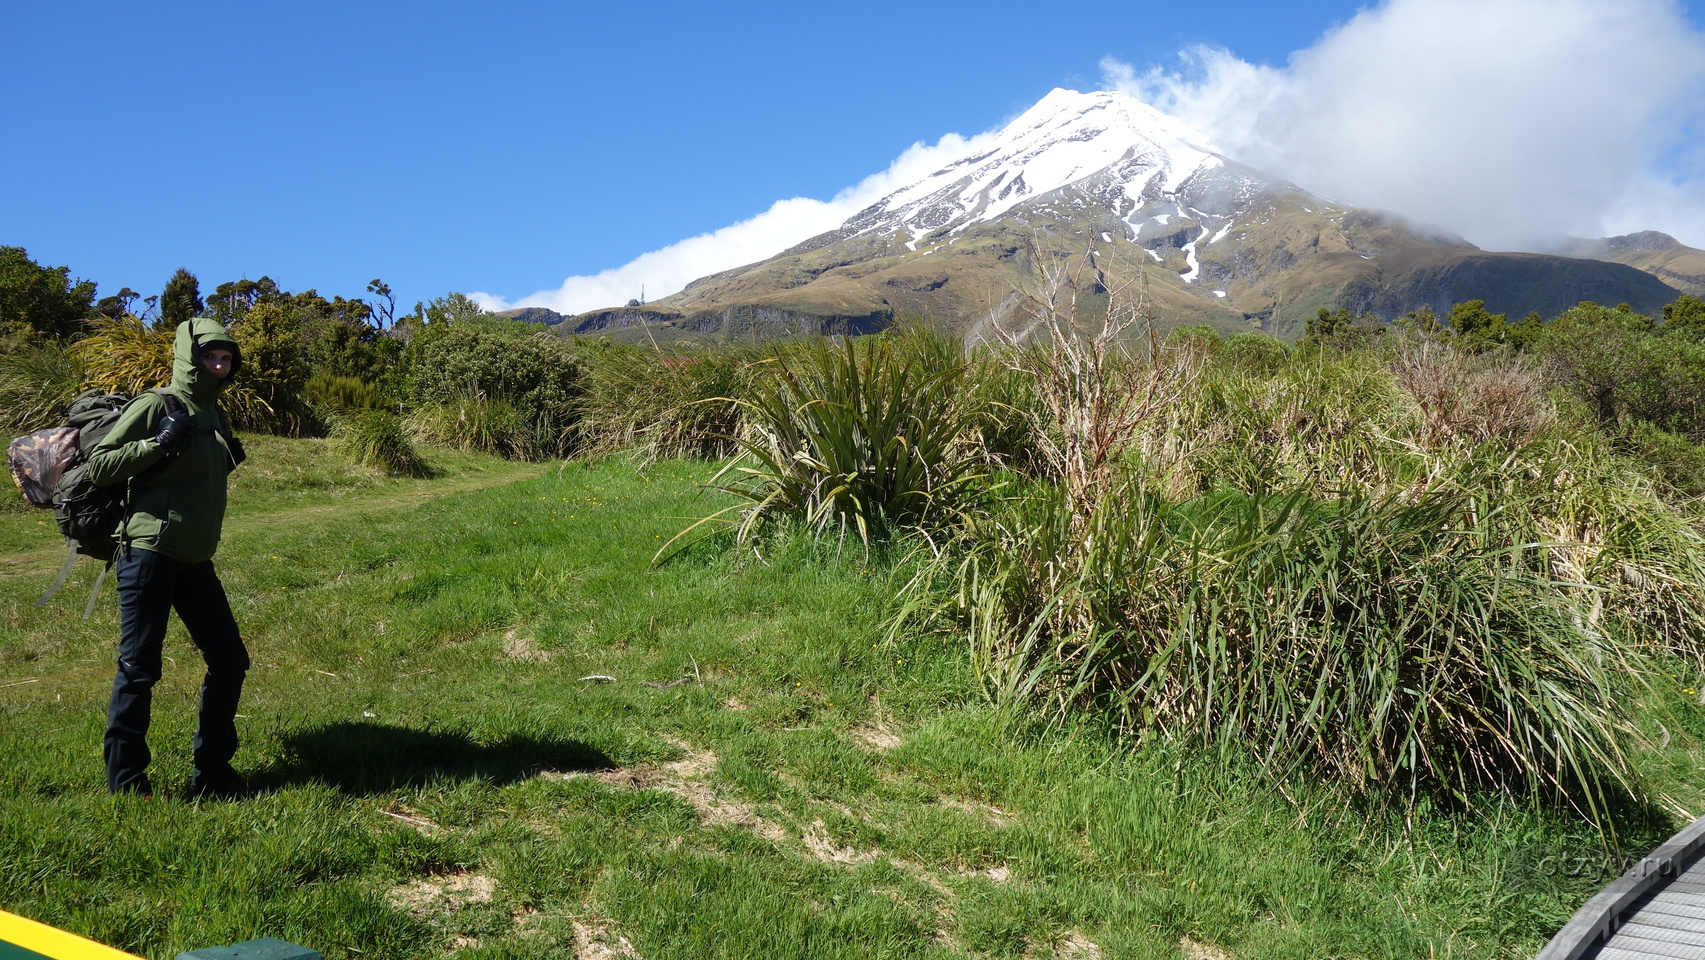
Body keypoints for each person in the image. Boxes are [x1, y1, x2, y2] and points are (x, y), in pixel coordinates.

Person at [86, 317, 251, 798]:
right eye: (210, 358)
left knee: (230, 660)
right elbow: (100, 465)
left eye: (226, 360)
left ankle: (213, 774)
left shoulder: (215, 414)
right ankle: (127, 783)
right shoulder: (157, 404)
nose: (219, 366)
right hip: (149, 553)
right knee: (140, 668)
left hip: (195, 558)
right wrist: (158, 441)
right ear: (189, 357)